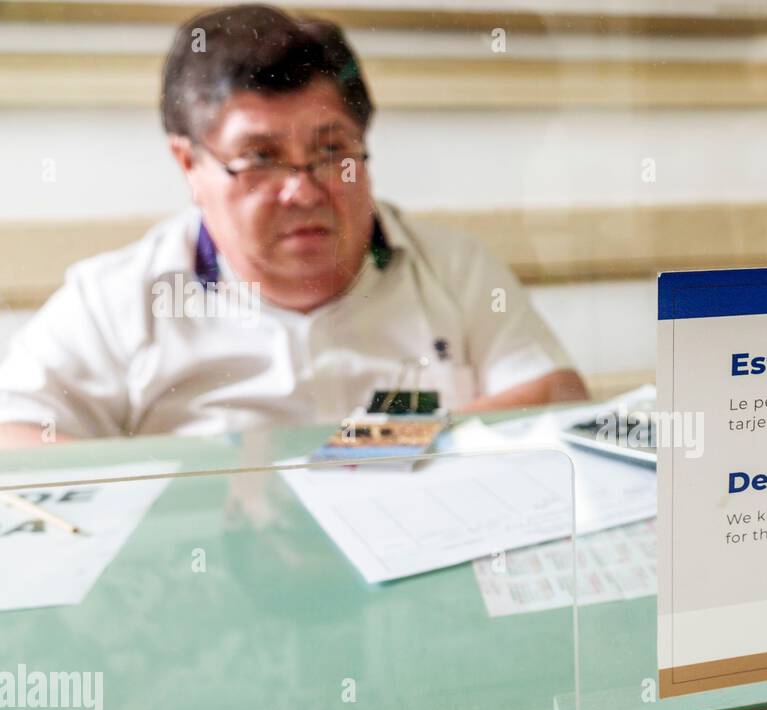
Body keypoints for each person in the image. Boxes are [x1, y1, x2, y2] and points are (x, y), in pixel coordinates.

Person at [0, 4, 586, 448]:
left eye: (333, 151)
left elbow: (556, 396)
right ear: (188, 164)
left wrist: (364, 455)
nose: (304, 190)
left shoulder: (450, 266)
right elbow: (16, 436)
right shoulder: (117, 299)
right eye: (260, 158)